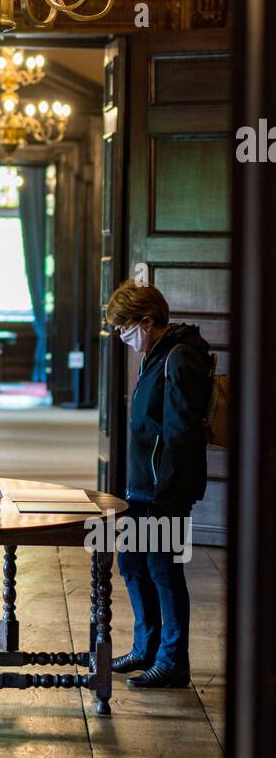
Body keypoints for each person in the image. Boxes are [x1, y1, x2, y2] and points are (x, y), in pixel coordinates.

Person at [105, 279, 213, 690]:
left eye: (125, 326)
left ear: (147, 321)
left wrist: (166, 498)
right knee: (132, 564)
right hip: (141, 488)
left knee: (164, 570)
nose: (121, 335)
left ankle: (172, 662)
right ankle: (145, 648)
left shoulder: (181, 357)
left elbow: (180, 434)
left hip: (163, 491)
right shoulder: (155, 354)